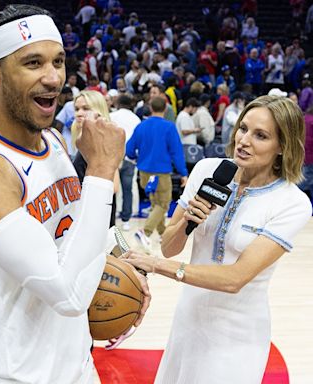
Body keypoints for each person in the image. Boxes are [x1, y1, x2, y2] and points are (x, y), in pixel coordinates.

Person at [0, 6, 149, 383]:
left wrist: (122, 255)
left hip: (77, 365)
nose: (52, 78)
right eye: (33, 63)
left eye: (58, 61)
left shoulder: (52, 141)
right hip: (9, 375)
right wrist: (101, 170)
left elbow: (77, 222)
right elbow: (66, 294)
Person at [123, 95, 312, 384]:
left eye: (260, 135)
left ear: (282, 147)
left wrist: (155, 265)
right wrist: (187, 221)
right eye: (243, 128)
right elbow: (169, 247)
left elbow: (235, 278)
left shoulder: (291, 202)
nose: (244, 140)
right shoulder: (208, 170)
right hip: (188, 320)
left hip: (237, 334)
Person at [127, 96, 188, 249]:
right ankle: (145, 232)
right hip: (160, 173)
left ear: (150, 108)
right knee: (163, 204)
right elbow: (177, 153)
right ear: (166, 108)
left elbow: (129, 149)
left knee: (156, 203)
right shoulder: (169, 127)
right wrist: (183, 173)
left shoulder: (141, 126)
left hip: (144, 173)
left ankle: (163, 234)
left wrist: (137, 157)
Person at [70, 90, 120, 227]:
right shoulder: (81, 140)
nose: (79, 113)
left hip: (98, 219)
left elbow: (114, 186)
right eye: (76, 108)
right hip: (85, 217)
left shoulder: (104, 141)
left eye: (86, 108)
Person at [110, 94, 141, 231]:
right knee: (127, 188)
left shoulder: (112, 116)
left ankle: (113, 215)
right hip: (130, 157)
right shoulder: (136, 118)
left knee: (112, 188)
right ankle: (126, 219)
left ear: (118, 104)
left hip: (113, 156)